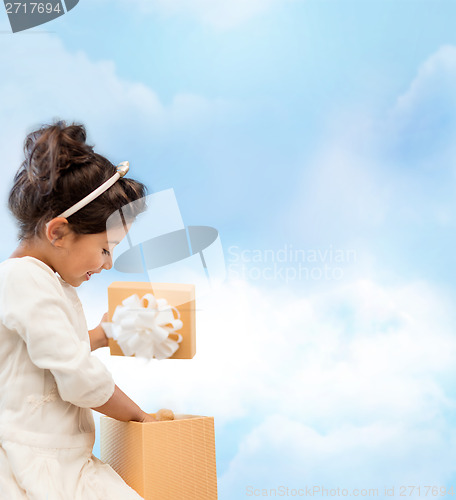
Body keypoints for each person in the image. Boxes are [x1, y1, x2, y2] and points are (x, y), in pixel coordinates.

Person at [0, 120, 162, 499]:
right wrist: (140, 417)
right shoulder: (23, 280)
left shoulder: (41, 280)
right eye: (106, 248)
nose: (107, 264)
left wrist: (100, 336)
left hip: (65, 458)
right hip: (35, 465)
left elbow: (46, 357)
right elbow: (77, 375)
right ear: (58, 232)